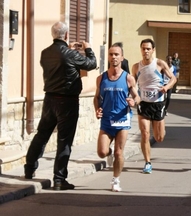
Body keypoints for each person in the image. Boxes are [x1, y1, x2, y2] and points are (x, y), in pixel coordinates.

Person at [23, 21, 97, 190]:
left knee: (42, 135)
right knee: (64, 140)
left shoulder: (45, 53)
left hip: (49, 99)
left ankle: (29, 168)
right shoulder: (70, 54)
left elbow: (60, 63)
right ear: (66, 35)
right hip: (68, 101)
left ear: (53, 35)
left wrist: (69, 49)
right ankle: (59, 179)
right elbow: (91, 64)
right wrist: (88, 48)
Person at [94, 43, 140, 192]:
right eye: (111, 54)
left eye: (116, 54)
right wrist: (97, 110)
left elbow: (137, 96)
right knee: (102, 152)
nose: (113, 57)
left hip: (122, 120)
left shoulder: (128, 78)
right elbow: (96, 97)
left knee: (119, 152)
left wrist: (134, 102)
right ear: (108, 57)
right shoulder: (101, 78)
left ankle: (115, 180)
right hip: (106, 120)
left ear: (122, 57)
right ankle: (109, 155)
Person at [132, 39, 176, 174]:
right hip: (143, 103)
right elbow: (132, 84)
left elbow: (173, 79)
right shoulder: (136, 67)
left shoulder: (159, 63)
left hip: (158, 104)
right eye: (143, 48)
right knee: (145, 133)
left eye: (148, 49)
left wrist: (166, 87)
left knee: (159, 138)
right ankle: (147, 162)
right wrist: (133, 96)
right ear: (141, 50)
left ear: (153, 50)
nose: (145, 51)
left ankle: (159, 133)